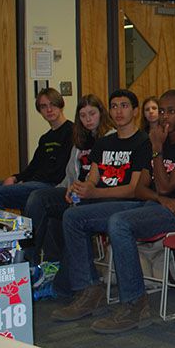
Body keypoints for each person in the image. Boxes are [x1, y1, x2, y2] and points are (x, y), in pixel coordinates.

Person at [91, 90, 175, 333]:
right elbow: (140, 189)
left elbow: (165, 185)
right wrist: (159, 198)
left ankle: (135, 304)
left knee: (119, 223)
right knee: (75, 217)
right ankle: (85, 290)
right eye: (162, 111)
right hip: (152, 207)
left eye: (171, 111)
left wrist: (157, 150)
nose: (164, 117)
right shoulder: (154, 143)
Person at [50, 89, 151, 323]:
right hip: (102, 201)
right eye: (114, 106)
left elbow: (135, 189)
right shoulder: (105, 142)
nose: (118, 111)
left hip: (130, 205)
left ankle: (85, 290)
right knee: (69, 214)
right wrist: (79, 188)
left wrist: (94, 192)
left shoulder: (142, 142)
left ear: (135, 111)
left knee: (75, 218)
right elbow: (92, 177)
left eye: (124, 106)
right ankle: (88, 290)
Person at [23, 93, 113, 267]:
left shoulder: (110, 137)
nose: (88, 119)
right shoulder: (79, 140)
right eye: (83, 115)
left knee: (48, 204)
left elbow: (107, 175)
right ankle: (37, 263)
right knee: (40, 198)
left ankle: (49, 263)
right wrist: (58, 190)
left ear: (101, 113)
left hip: (96, 194)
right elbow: (70, 173)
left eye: (92, 114)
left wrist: (80, 188)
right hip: (74, 190)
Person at [0, 87, 73, 210]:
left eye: (52, 104)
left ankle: (1, 228)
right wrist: (15, 178)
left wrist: (25, 182)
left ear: (60, 105)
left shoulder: (71, 132)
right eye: (43, 106)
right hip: (33, 182)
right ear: (40, 111)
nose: (49, 110)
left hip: (50, 185)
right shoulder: (45, 138)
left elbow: (59, 172)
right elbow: (33, 166)